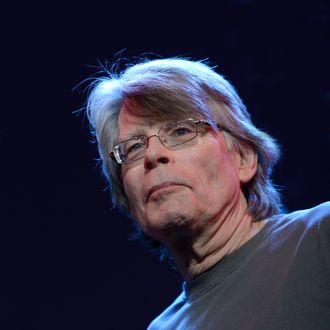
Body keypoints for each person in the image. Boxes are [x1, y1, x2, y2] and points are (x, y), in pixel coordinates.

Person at [84, 56, 330, 329]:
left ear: (243, 158)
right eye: (133, 148)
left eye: (180, 131)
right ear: (128, 200)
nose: (152, 154)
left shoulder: (320, 237)